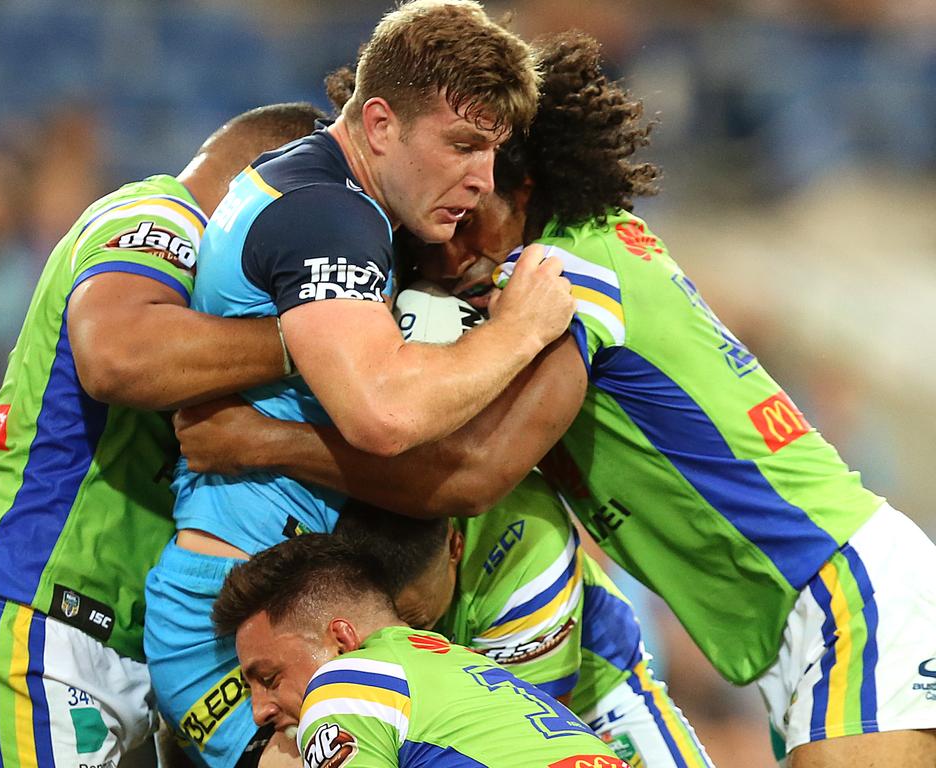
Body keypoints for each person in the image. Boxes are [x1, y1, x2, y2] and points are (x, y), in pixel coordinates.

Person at [179, 31, 936, 767]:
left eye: (469, 215)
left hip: (840, 586)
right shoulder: (554, 264)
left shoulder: (569, 271)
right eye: (432, 231)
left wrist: (263, 441)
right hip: (788, 619)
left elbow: (475, 475)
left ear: (525, 183)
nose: (448, 253)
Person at [144, 4, 578, 767]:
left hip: (268, 602)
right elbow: (382, 413)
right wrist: (523, 328)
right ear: (380, 124)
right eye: (463, 146)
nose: (480, 181)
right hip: (251, 627)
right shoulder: (327, 217)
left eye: (493, 153)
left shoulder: (326, 198)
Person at [0, 102, 325, 768]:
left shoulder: (218, 295)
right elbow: (118, 357)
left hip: (79, 659)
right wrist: (319, 339)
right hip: (28, 646)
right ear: (266, 187)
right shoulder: (161, 215)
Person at [333, 479, 715, 768]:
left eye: (416, 618)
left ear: (454, 546)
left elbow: (534, 739)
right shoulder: (340, 563)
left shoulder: (528, 551)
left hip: (592, 706)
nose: (402, 634)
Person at [211, 534, 631, 768]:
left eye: (269, 678)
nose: (259, 712)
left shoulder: (343, 684)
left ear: (341, 641)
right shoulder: (469, 669)